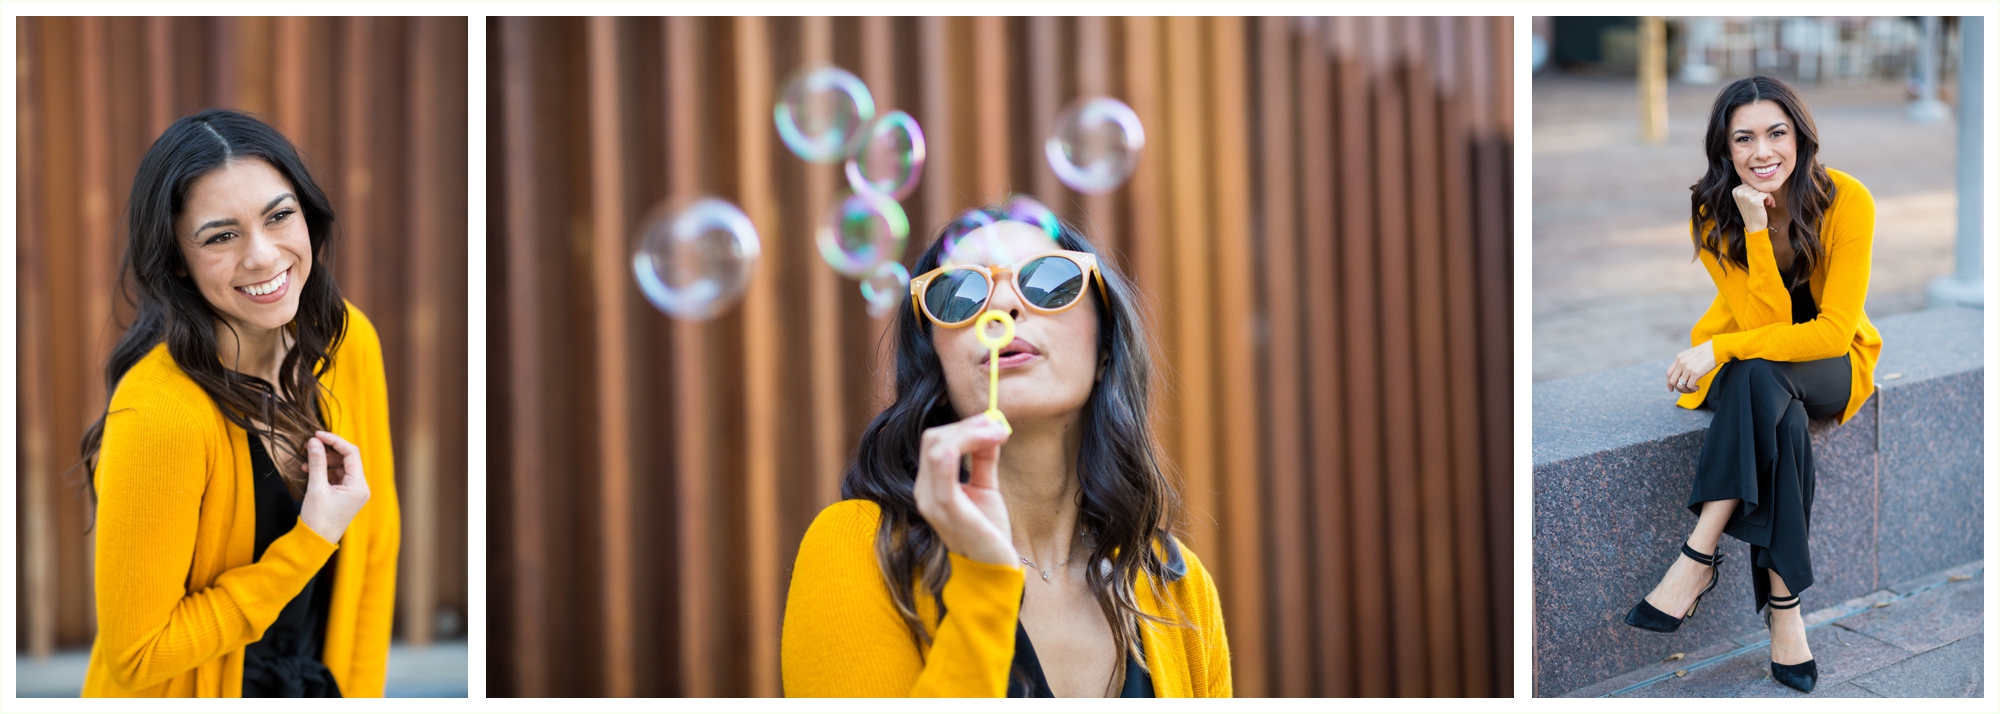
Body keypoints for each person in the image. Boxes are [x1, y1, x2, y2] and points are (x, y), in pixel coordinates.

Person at [780, 204, 1231, 697]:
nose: (1002, 308)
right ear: (937, 360)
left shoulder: (1177, 586)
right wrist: (983, 582)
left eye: (1049, 281)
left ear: (1104, 348)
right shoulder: (857, 549)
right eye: (959, 295)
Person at [77, 109, 401, 697]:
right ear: (175, 258)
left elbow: (376, 552)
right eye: (221, 236)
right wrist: (308, 544)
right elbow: (138, 657)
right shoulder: (159, 413)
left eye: (280, 216)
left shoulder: (350, 341)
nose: (262, 256)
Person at [1624, 76, 1881, 695]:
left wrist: (1718, 347)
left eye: (1776, 133)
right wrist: (1754, 228)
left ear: (1801, 137)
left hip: (1829, 363)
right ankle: (1786, 615)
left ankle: (1696, 557)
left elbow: (1825, 333)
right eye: (1744, 138)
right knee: (1774, 407)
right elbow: (1766, 326)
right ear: (1725, 148)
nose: (1761, 151)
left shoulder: (1848, 200)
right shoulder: (1713, 209)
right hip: (1754, 374)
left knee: (1758, 375)